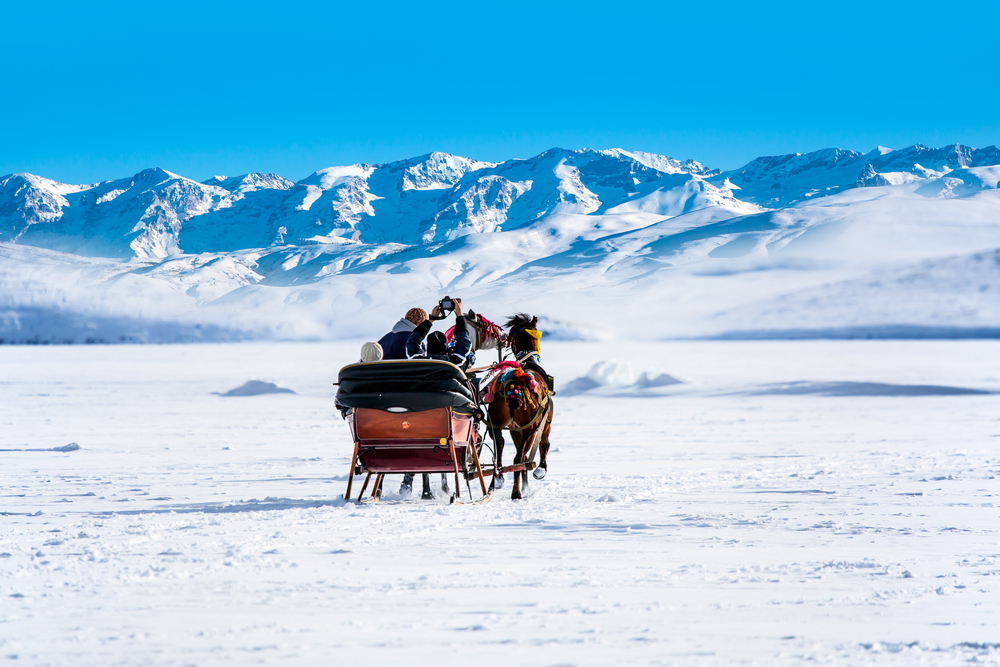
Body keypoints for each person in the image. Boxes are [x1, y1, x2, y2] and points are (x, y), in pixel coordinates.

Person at [405, 298, 472, 369]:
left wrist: (430, 320)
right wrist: (460, 314)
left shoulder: (420, 364)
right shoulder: (453, 363)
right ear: (447, 353)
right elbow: (464, 341)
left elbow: (412, 340)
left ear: (427, 353)